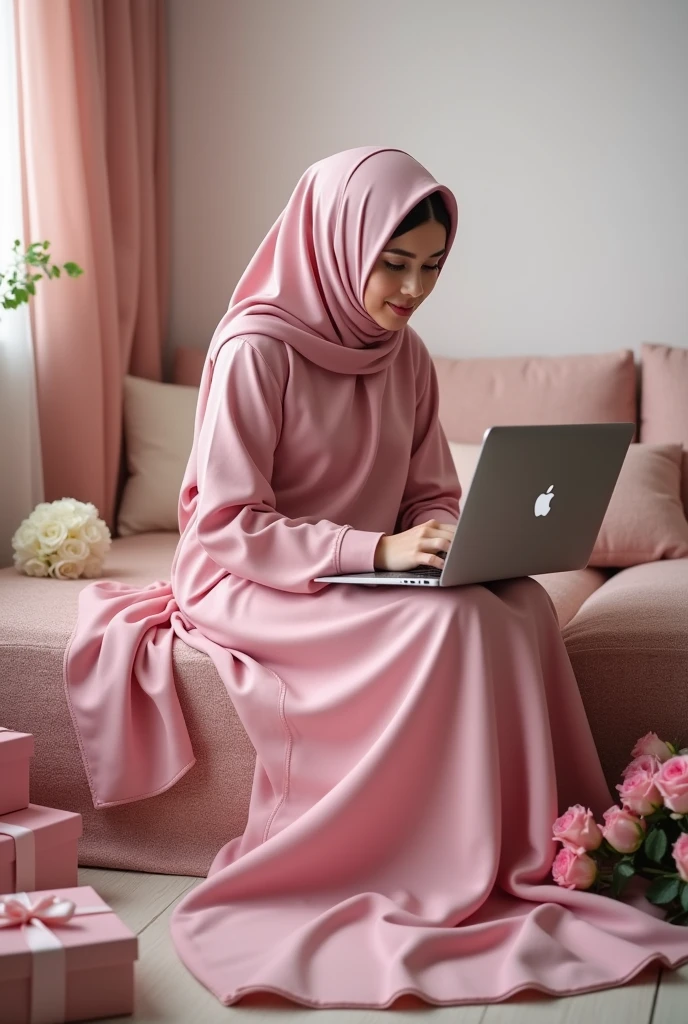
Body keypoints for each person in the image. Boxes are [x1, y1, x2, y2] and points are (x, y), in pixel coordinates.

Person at [64, 147, 688, 1009]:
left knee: (523, 607)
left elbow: (429, 491)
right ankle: (433, 868)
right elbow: (224, 523)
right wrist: (374, 553)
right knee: (449, 625)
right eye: (392, 264)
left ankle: (541, 852)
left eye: (431, 267)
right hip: (251, 576)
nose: (411, 289)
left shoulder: (407, 355)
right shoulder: (256, 348)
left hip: (357, 571)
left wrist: (458, 541)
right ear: (335, 241)